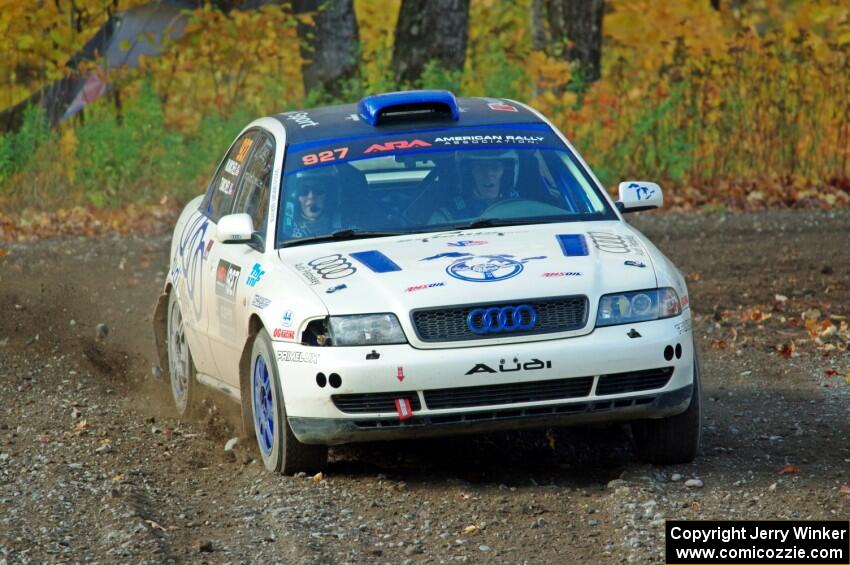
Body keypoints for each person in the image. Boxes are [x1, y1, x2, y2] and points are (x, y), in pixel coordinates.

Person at [430, 149, 519, 223]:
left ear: (506, 173)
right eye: (480, 168)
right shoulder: (448, 214)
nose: (488, 174)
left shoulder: (521, 206)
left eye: (495, 167)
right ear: (469, 174)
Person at [283, 169, 335, 239]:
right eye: (303, 191)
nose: (311, 197)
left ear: (328, 196)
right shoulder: (285, 230)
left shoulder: (344, 224)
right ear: (297, 198)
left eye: (318, 190)